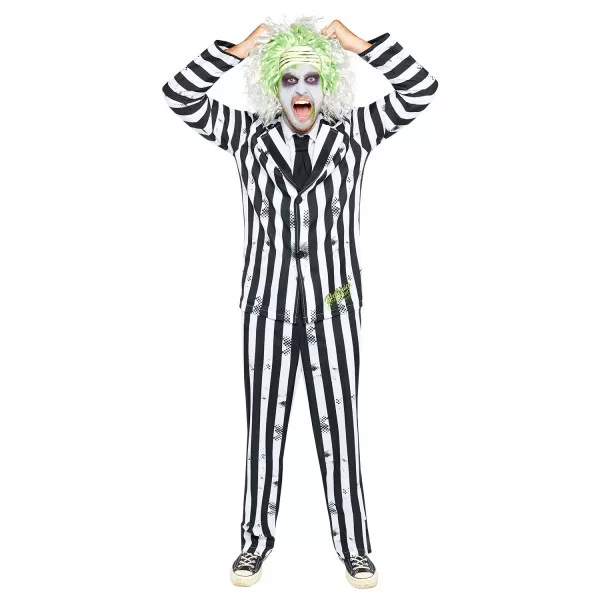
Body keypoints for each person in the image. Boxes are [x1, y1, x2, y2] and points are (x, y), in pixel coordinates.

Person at [161, 15, 439, 588]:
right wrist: (237, 50)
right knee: (263, 428)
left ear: (328, 83)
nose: (301, 91)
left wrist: (361, 45)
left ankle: (354, 548)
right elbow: (180, 95)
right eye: (289, 80)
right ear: (273, 85)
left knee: (341, 428)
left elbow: (420, 89)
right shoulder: (247, 136)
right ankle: (254, 543)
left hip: (334, 303)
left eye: (312, 78)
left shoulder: (353, 133)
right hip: (266, 305)